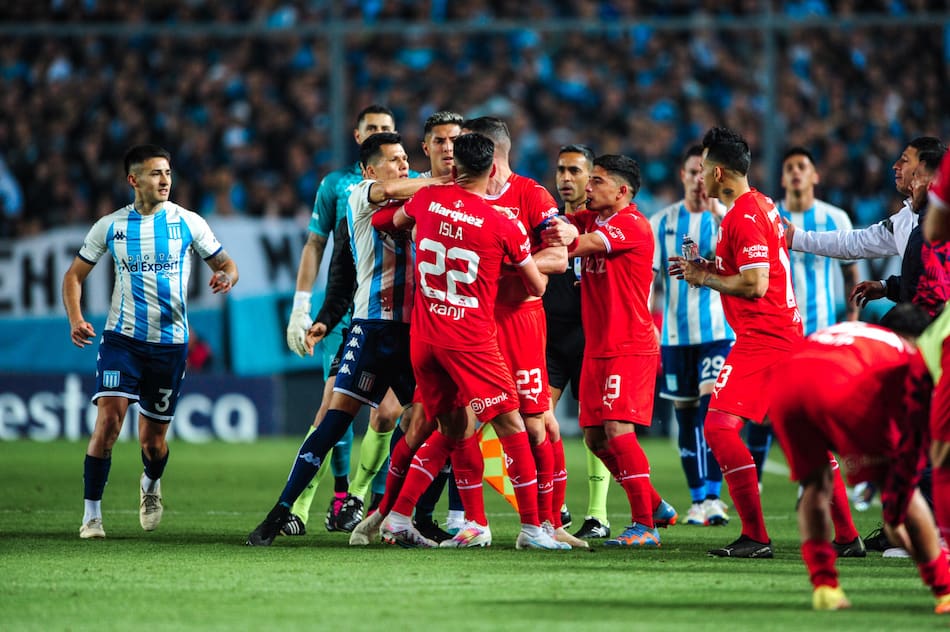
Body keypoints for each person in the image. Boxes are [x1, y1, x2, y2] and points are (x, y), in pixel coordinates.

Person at [246, 133, 448, 546]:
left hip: (412, 332)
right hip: (371, 329)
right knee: (333, 422)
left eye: (405, 158)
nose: (404, 166)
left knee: (428, 421)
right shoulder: (360, 196)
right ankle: (280, 512)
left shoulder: (418, 201)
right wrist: (445, 180)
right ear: (369, 170)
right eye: (393, 160)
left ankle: (396, 516)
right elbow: (391, 191)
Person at [377, 132, 567, 550]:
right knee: (513, 425)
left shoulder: (427, 199)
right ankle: (532, 529)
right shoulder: (502, 223)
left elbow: (393, 222)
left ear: (454, 167)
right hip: (469, 340)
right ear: (493, 168)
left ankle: (400, 518)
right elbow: (537, 287)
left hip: (424, 338)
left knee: (455, 428)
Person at [62, 144, 238, 539]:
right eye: (156, 173)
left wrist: (227, 276)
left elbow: (226, 263)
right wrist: (75, 318)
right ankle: (92, 515)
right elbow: (73, 276)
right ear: (133, 179)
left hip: (170, 346)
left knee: (153, 444)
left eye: (168, 173)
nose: (164, 180)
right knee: (108, 422)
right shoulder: (110, 226)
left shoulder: (188, 222)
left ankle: (151, 482)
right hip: (121, 340)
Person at [671, 127, 802, 558]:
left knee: (717, 426)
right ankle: (845, 535)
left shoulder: (742, 216)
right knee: (806, 436)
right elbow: (749, 268)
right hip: (781, 334)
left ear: (718, 172)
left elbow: (755, 285)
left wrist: (705, 277)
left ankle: (756, 536)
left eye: (703, 169)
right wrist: (708, 266)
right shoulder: (762, 204)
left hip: (765, 338)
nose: (699, 177)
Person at [768, 307, 950, 612]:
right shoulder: (906, 354)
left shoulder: (847, 330)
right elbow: (911, 439)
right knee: (900, 489)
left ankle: (824, 586)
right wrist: (894, 507)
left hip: (784, 384)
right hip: (840, 386)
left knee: (815, 484)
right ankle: (944, 589)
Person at [460, 117, 587, 548]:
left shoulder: (531, 195)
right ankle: (472, 522)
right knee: (462, 422)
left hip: (521, 322)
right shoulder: (461, 195)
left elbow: (559, 258)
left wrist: (506, 263)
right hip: (473, 323)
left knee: (537, 426)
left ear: (490, 152)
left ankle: (547, 524)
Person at [283, 105, 403, 535]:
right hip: (348, 312)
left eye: (386, 129)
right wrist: (303, 308)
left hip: (394, 314)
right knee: (333, 406)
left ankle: (360, 499)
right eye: (372, 129)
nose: (379, 132)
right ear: (358, 137)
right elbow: (319, 246)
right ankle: (304, 505)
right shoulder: (338, 185)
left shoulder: (409, 183)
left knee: (388, 413)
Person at [544, 153, 671, 548]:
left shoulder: (632, 224)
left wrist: (564, 235)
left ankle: (644, 526)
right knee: (595, 437)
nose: (588, 186)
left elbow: (579, 244)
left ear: (622, 191)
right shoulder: (593, 218)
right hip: (597, 348)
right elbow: (557, 226)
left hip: (628, 346)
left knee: (617, 429)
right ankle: (654, 504)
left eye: (597, 181)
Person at [745, 147, 860, 493]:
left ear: (815, 175)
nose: (796, 172)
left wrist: (852, 320)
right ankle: (755, 479)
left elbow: (851, 272)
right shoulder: (768, 214)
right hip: (777, 328)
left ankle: (829, 480)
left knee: (822, 408)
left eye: (802, 166)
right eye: (790, 167)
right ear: (782, 178)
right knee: (765, 406)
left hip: (821, 330)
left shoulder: (835, 218)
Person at [650, 145, 732, 527]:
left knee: (709, 409)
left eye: (705, 171)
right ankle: (697, 499)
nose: (699, 178)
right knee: (685, 420)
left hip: (717, 331)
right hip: (675, 335)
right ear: (682, 176)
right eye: (693, 171)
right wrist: (648, 323)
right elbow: (650, 280)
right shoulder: (661, 222)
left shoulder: (726, 219)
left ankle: (714, 497)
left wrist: (719, 215)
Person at [545, 143, 612, 540]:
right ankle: (556, 506)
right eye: (561, 171)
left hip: (591, 337)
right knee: (537, 420)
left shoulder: (603, 226)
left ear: (591, 179)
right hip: (550, 338)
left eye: (575, 171)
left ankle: (598, 515)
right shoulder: (546, 222)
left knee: (594, 427)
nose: (566, 178)